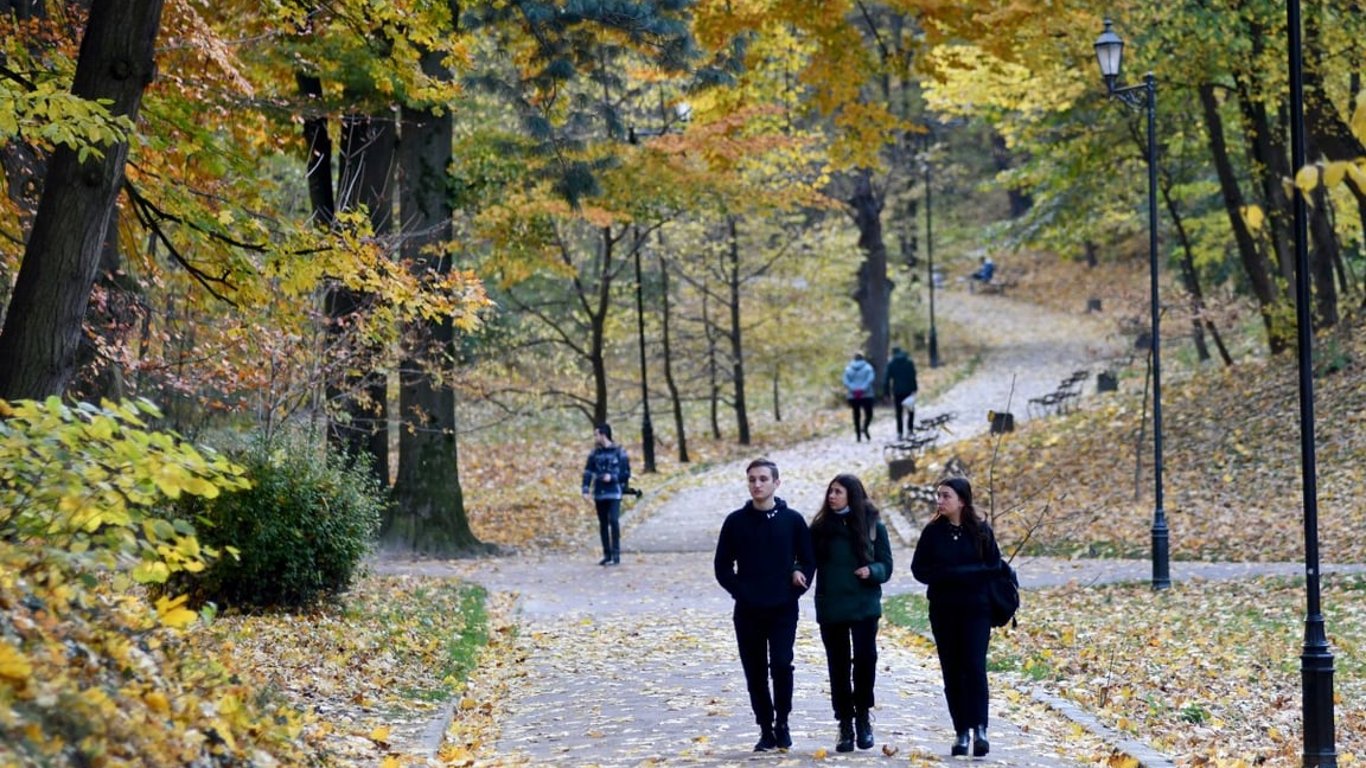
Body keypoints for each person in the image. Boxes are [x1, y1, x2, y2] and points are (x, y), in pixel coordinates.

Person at [714, 458, 815, 752]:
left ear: (776, 483)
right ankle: (765, 727)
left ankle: (782, 721)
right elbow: (722, 566)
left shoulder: (793, 520)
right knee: (755, 671)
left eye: (762, 479)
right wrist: (741, 592)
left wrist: (797, 580)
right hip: (747, 611)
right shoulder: (735, 522)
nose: (757, 484)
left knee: (782, 665)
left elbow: (808, 560)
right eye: (752, 480)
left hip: (783, 608)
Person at [910, 477, 1002, 758]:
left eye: (945, 496)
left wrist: (958, 574)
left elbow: (994, 566)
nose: (940, 501)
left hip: (976, 610)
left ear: (962, 500)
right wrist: (949, 575)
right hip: (944, 610)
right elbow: (919, 569)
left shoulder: (981, 532)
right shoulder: (933, 532)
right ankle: (961, 730)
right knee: (952, 670)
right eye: (938, 495)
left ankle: (980, 729)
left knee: (974, 667)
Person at [810, 474, 893, 753]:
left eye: (838, 492)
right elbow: (804, 559)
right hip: (832, 606)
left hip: (864, 605)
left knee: (866, 660)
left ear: (852, 495)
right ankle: (844, 722)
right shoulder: (820, 528)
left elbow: (887, 566)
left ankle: (862, 718)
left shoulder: (873, 526)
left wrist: (872, 571)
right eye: (830, 491)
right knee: (839, 665)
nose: (832, 496)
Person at [581, 423, 630, 566]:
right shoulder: (594, 453)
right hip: (599, 493)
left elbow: (626, 473)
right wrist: (585, 489)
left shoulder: (619, 452)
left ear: (603, 434)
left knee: (614, 521)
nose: (595, 438)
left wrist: (613, 478)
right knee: (603, 523)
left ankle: (616, 553)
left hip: (614, 492)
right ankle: (606, 554)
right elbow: (588, 472)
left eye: (596, 434)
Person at [883, 346, 919, 440]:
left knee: (899, 413)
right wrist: (914, 388)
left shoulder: (891, 363)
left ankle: (900, 432)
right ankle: (910, 430)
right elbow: (913, 376)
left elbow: (887, 379)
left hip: (897, 391)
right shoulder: (909, 362)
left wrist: (886, 393)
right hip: (908, 390)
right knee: (910, 410)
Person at [842, 353, 876, 442]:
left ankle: (858, 435)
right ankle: (865, 427)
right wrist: (863, 388)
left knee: (856, 414)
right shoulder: (868, 368)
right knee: (869, 414)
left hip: (852, 395)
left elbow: (845, 381)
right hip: (867, 394)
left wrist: (854, 388)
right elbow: (870, 379)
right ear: (863, 359)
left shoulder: (848, 368)